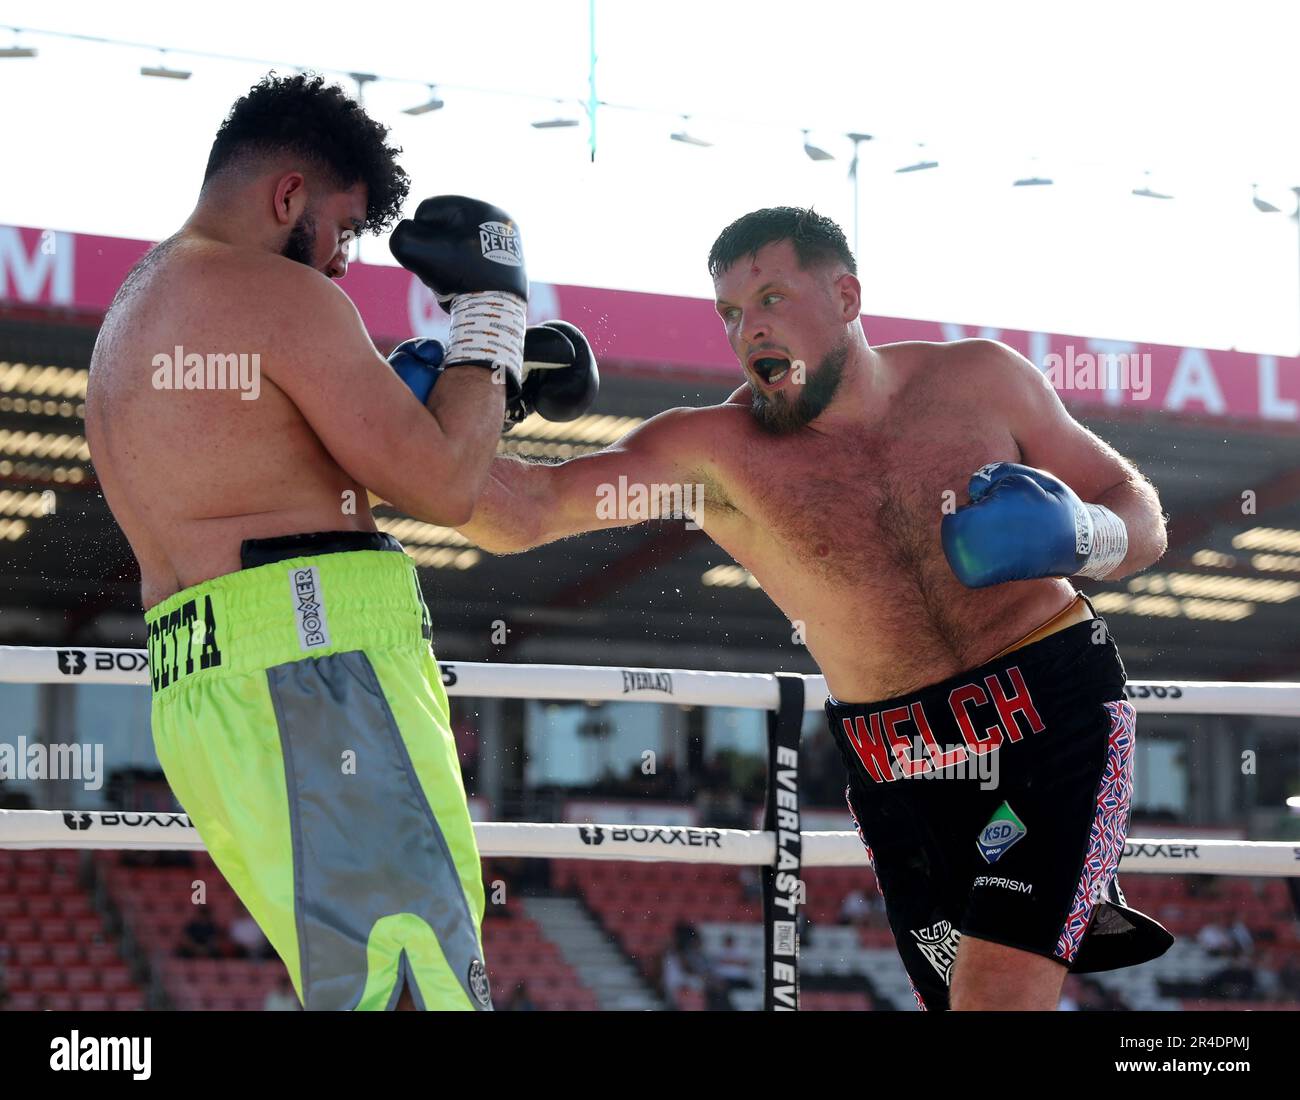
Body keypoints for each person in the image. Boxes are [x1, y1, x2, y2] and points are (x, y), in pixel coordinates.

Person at [457, 206, 1174, 1010]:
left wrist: (1081, 532)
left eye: (770, 298)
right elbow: (523, 512)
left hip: (1051, 714)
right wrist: (445, 389)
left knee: (997, 995)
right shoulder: (714, 452)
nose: (748, 329)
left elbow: (1137, 514)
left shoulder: (980, 379)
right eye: (730, 313)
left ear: (846, 296)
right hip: (897, 760)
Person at [85, 73, 591, 1011]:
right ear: (288, 197)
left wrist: (482, 390)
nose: (346, 264)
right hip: (319, 671)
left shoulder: (134, 316)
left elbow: (312, 474)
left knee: (361, 988)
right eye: (345, 229)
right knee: (419, 987)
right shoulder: (276, 296)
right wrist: (492, 310)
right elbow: (443, 484)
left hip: (210, 696)